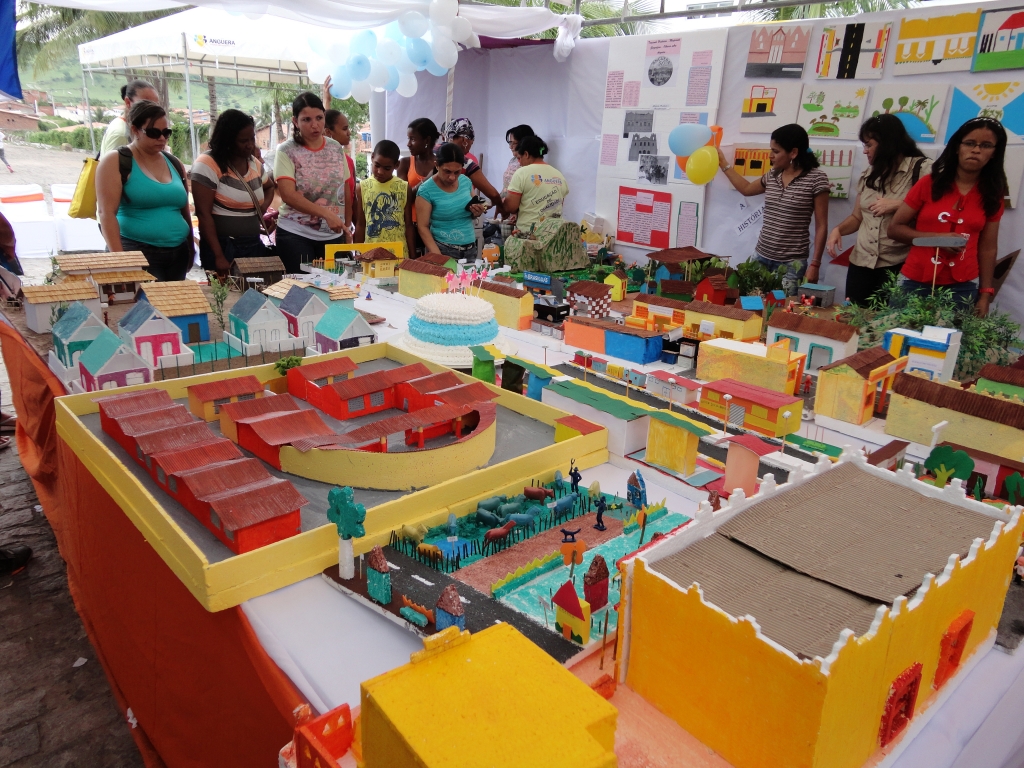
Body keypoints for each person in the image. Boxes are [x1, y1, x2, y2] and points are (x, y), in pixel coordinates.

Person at [888, 117, 1007, 316]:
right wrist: (937, 239)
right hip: (914, 281)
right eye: (970, 143)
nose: (976, 150)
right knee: (899, 334)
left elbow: (988, 249)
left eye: (986, 145)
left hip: (963, 287)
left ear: (994, 153)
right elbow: (894, 229)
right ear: (957, 147)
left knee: (953, 337)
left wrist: (985, 294)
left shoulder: (993, 194)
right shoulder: (929, 183)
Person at [826, 116, 931, 306]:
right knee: (854, 317)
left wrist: (899, 204)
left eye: (869, 145)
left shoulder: (922, 169)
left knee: (891, 319)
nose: (865, 151)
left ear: (887, 143)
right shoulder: (869, 174)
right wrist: (838, 230)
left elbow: (937, 210)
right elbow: (857, 217)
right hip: (862, 262)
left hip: (899, 262)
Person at [717, 123, 830, 292]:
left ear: (793, 153)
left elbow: (822, 226)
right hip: (761, 257)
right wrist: (724, 165)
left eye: (776, 151)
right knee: (750, 302)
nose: (770, 156)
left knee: (782, 307)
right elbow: (746, 189)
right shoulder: (773, 175)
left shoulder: (816, 179)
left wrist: (815, 264)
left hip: (792, 265)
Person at [95, 100, 194, 281]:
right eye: (154, 133)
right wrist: (120, 262)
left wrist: (191, 246)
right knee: (146, 299)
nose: (162, 138)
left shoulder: (174, 163)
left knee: (175, 299)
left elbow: (184, 210)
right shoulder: (115, 161)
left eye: (166, 133)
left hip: (178, 252)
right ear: (135, 130)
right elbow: (106, 214)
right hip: (137, 251)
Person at [191, 109, 275, 278]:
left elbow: (270, 187)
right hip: (223, 246)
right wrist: (218, 256)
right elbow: (203, 214)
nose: (250, 145)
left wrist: (261, 211)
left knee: (255, 291)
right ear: (227, 140)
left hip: (253, 244)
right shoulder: (208, 164)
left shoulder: (254, 164)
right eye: (243, 141)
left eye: (252, 138)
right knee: (226, 293)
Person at [273, 92, 352, 273]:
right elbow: (288, 195)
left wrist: (346, 227)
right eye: (306, 119)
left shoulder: (335, 148)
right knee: (302, 287)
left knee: (335, 286)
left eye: (319, 118)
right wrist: (326, 214)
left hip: (333, 234)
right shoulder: (286, 151)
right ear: (295, 121)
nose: (315, 125)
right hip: (295, 233)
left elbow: (345, 188)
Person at [415, 142, 487, 259]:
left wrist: (476, 212)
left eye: (457, 172)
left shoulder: (465, 181)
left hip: (470, 249)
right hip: (443, 249)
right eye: (447, 171)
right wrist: (438, 256)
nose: (452, 177)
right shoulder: (426, 190)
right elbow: (422, 227)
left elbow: (471, 213)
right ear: (437, 165)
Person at [355, 140, 414, 258]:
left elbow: (408, 225)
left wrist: (413, 257)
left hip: (398, 254)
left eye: (387, 168)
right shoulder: (362, 187)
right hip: (370, 254)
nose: (380, 172)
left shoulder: (404, 187)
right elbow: (361, 224)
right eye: (377, 165)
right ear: (372, 157)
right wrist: (358, 253)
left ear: (396, 165)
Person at [502, 136, 569, 234]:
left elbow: (511, 207)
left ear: (526, 154)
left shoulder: (522, 173)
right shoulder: (559, 175)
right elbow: (558, 205)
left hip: (529, 234)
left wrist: (503, 202)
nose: (520, 163)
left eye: (519, 158)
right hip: (553, 234)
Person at [439, 117, 503, 210]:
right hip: (455, 211)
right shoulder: (467, 162)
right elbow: (493, 194)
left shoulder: (433, 152)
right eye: (472, 142)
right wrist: (499, 206)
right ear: (464, 140)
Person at [101, 80, 161, 155]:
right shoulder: (122, 134)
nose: (153, 110)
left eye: (155, 105)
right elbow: (113, 162)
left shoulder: (132, 126)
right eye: (145, 104)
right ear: (128, 102)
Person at [502, 125, 535, 195]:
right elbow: (505, 188)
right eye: (510, 143)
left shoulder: (531, 163)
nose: (510, 147)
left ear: (524, 143)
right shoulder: (513, 160)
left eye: (513, 143)